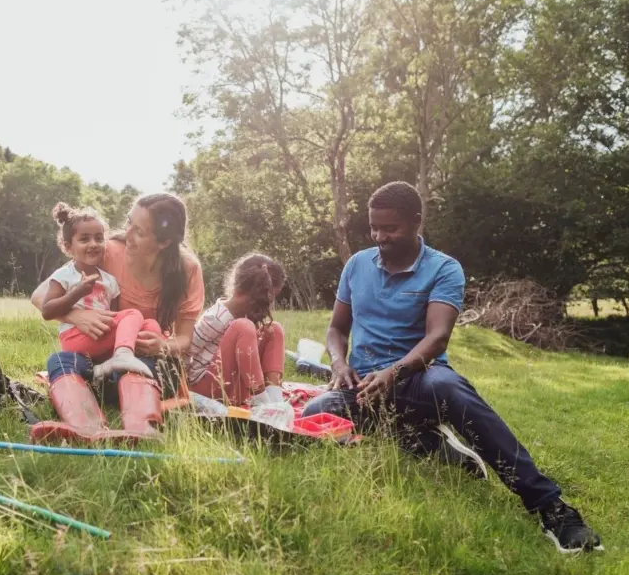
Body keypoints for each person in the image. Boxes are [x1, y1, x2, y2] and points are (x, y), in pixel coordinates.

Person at [301, 181, 604, 553]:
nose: (380, 236)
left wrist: (394, 373)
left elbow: (437, 337)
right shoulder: (357, 265)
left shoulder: (444, 269)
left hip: (418, 379)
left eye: (390, 228)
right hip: (363, 386)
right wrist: (338, 364)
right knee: (316, 412)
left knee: (449, 388)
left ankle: (551, 509)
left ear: (416, 221)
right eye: (374, 227)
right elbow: (335, 329)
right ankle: (428, 443)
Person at [30, 193, 204, 440]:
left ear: (163, 242)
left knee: (140, 363)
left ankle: (140, 427)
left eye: (139, 232)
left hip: (148, 362)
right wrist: (77, 316)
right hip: (102, 361)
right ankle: (86, 426)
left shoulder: (187, 269)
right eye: (128, 222)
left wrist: (162, 346)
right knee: (58, 361)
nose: (127, 234)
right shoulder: (108, 250)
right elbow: (40, 295)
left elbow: (185, 339)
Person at [40, 203, 158, 382]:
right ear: (68, 247)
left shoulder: (109, 281)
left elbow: (114, 317)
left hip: (99, 340)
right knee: (133, 314)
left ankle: (117, 370)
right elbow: (47, 311)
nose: (93, 244)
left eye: (99, 238)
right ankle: (123, 355)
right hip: (75, 338)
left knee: (150, 326)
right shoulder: (64, 275)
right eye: (84, 239)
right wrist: (77, 293)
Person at [188, 253, 287, 407]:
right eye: (271, 297)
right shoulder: (216, 317)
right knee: (243, 327)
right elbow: (184, 353)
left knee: (274, 329)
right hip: (206, 390)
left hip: (232, 387)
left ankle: (275, 401)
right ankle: (262, 403)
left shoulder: (246, 315)